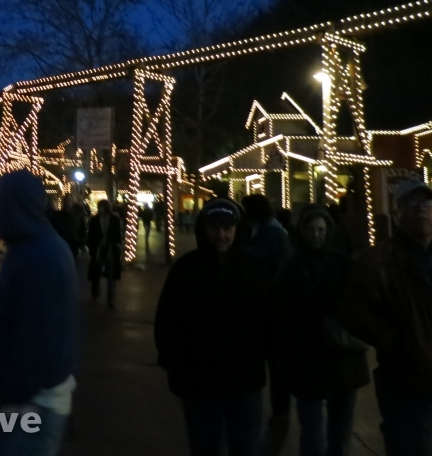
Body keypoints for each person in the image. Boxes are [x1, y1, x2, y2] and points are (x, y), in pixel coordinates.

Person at [340, 179, 432, 456]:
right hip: (413, 396)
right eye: (412, 204)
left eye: (427, 203)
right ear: (397, 212)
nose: (421, 210)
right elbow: (355, 313)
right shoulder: (378, 262)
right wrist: (402, 345)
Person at [155, 198, 270, 456]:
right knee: (204, 447)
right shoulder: (185, 270)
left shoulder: (255, 269)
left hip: (244, 382)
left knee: (245, 447)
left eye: (227, 227)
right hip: (200, 384)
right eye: (215, 227)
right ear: (204, 229)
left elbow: (271, 321)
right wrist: (176, 368)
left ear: (237, 229)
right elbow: (168, 322)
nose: (221, 234)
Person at [0, 170, 78, 456]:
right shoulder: (33, 248)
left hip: (30, 403)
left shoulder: (39, 257)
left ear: (14, 206)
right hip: (28, 398)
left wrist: (8, 390)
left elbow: (35, 339)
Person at [275, 204, 369, 456]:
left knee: (340, 434)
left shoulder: (343, 263)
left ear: (328, 230)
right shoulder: (291, 268)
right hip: (308, 359)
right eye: (310, 229)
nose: (315, 234)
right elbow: (281, 314)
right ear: (301, 231)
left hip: (342, 360)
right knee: (313, 435)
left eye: (320, 229)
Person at [241, 193, 293, 429]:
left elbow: (282, 270)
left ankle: (280, 410)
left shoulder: (273, 234)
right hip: (261, 306)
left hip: (273, 308)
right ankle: (274, 409)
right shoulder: (263, 231)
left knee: (276, 363)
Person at [88, 200, 122, 306]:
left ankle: (110, 299)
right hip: (98, 248)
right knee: (96, 272)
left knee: (111, 274)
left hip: (110, 247)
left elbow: (118, 234)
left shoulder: (114, 219)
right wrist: (92, 248)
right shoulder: (94, 220)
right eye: (99, 207)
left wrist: (118, 245)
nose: (100, 209)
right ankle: (95, 293)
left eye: (101, 207)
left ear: (106, 208)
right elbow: (91, 235)